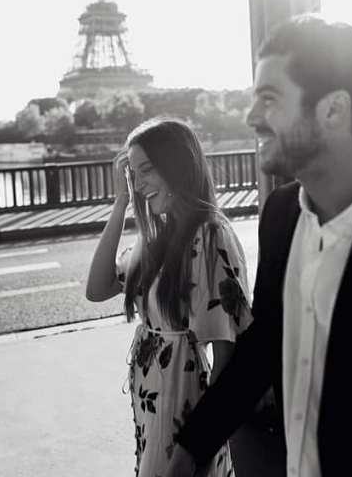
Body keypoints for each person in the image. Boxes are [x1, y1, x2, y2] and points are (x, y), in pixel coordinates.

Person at [165, 14, 352, 477]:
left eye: (268, 99)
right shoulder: (280, 213)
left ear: (333, 110)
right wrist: (193, 447)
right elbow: (266, 342)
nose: (250, 117)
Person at [86, 116, 253, 477]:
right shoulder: (158, 236)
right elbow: (97, 289)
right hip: (151, 397)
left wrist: (197, 442)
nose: (140, 184)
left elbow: (229, 353)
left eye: (147, 169)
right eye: (134, 173)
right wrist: (119, 205)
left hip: (182, 400)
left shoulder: (211, 235)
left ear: (176, 165)